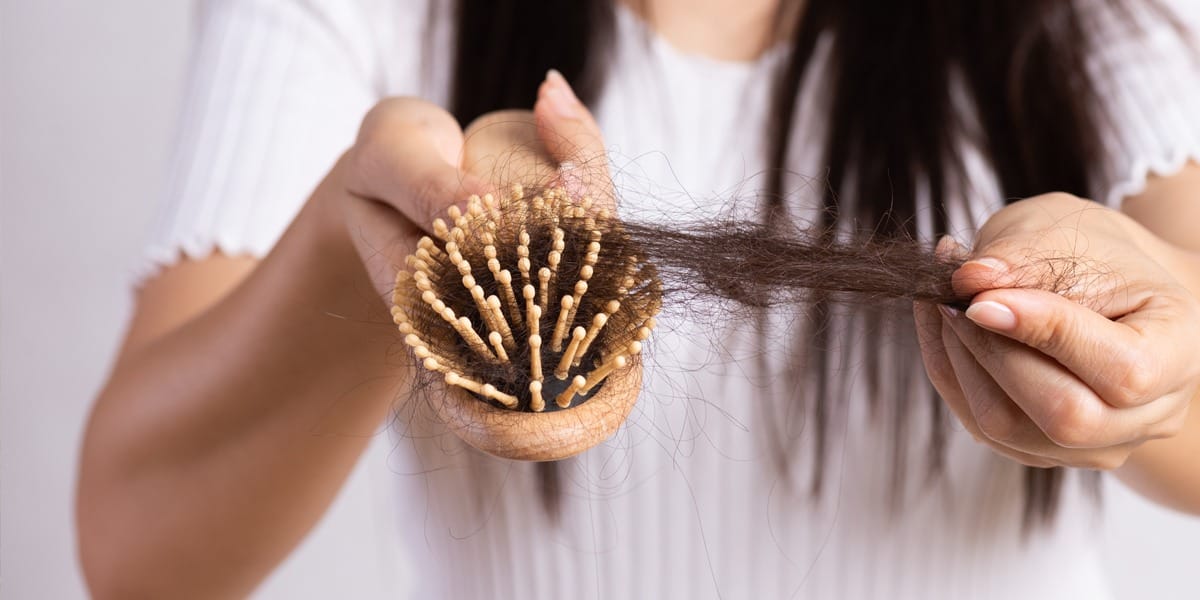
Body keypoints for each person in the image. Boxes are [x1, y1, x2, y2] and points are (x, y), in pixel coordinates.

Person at [78, 0, 1200, 598]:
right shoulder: (351, 15)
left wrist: (1146, 359)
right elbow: (140, 553)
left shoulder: (1090, 19)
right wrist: (356, 245)